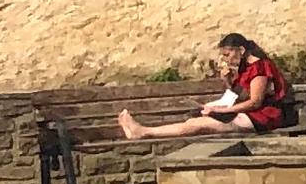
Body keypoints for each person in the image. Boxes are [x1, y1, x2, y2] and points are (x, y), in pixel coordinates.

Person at [118, 35, 296, 141]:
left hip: (263, 117)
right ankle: (142, 131)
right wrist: (227, 81)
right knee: (193, 122)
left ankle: (144, 132)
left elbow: (255, 102)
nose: (225, 59)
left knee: (198, 125)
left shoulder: (260, 67)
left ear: (241, 50)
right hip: (247, 114)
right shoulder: (245, 68)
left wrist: (222, 110)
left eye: (227, 54)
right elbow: (239, 94)